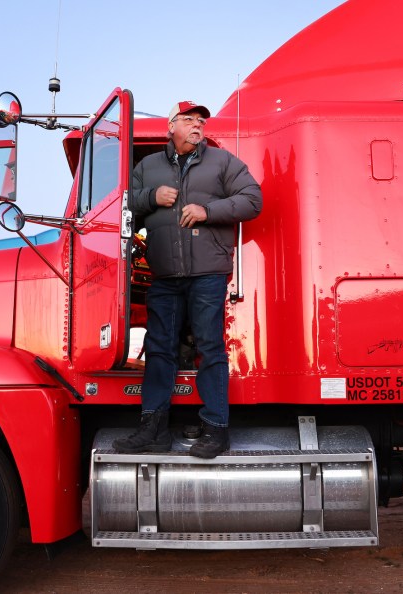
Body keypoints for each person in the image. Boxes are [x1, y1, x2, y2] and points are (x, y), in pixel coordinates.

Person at [114, 100, 262, 458]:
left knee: (210, 348)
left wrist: (207, 211)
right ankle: (154, 430)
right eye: (189, 120)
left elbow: (253, 200)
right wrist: (151, 196)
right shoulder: (147, 166)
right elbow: (121, 204)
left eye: (201, 121)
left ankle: (216, 430)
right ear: (171, 126)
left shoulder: (222, 161)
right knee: (160, 350)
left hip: (207, 275)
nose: (198, 126)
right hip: (164, 276)